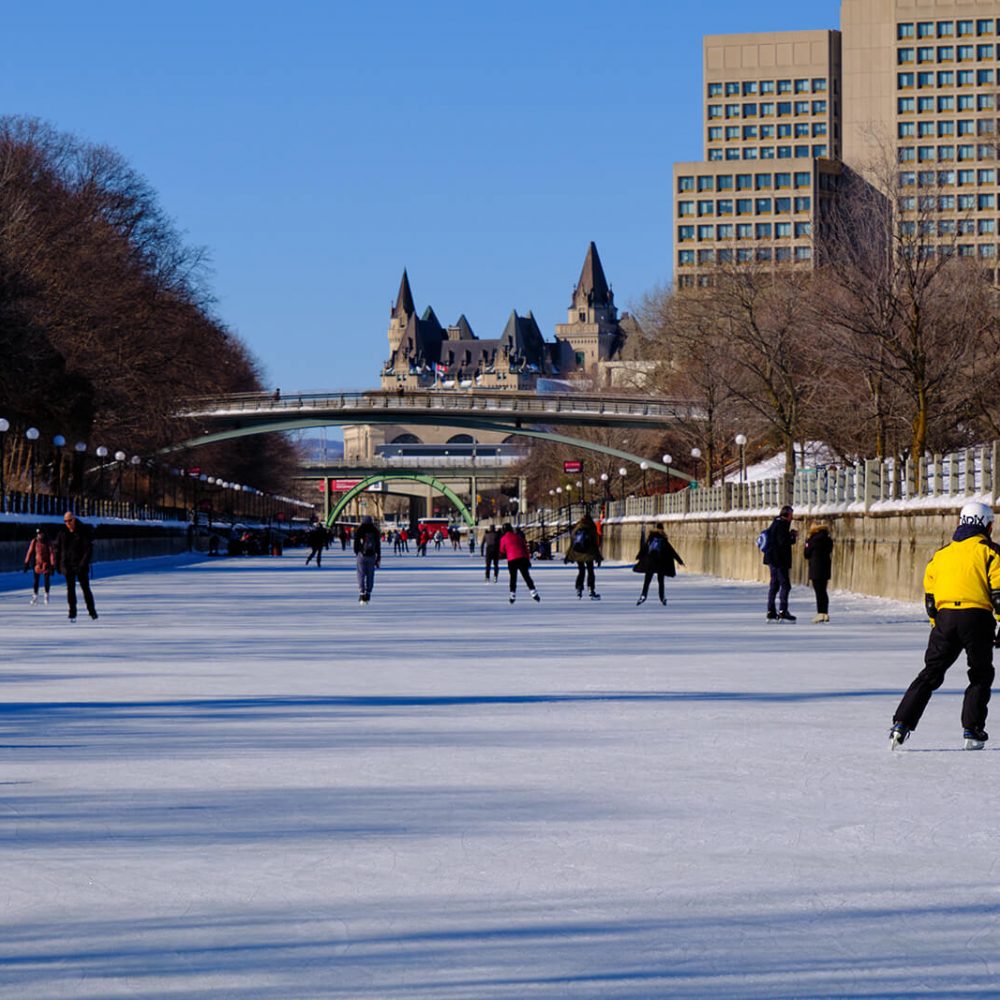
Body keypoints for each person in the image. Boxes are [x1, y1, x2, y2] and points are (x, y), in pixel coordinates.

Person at [890, 502, 1000, 751]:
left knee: (931, 673)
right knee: (980, 673)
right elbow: (998, 594)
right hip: (977, 617)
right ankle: (972, 729)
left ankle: (901, 723)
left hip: (945, 619)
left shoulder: (941, 554)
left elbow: (930, 598)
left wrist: (936, 624)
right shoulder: (991, 552)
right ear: (988, 526)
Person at [54, 511, 98, 621]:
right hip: (68, 565)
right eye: (65, 521)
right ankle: (72, 612)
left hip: (80, 565)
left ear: (74, 519)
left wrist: (82, 564)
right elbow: (57, 549)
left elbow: (88, 550)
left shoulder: (82, 531)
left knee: (85, 588)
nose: (67, 523)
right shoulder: (62, 533)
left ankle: (92, 611)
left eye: (69, 520)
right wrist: (57, 565)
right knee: (70, 589)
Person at [762, 504, 797, 622]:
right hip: (779, 561)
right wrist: (792, 536)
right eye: (791, 515)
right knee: (785, 585)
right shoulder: (782, 525)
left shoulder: (775, 523)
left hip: (772, 559)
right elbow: (783, 542)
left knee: (774, 585)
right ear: (787, 515)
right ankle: (783, 611)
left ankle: (771, 611)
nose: (792, 518)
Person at [633, 524, 684, 606]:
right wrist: (680, 561)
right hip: (660, 563)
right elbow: (672, 551)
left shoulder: (651, 537)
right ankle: (662, 597)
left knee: (647, 580)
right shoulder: (663, 539)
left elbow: (644, 548)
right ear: (662, 529)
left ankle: (643, 595)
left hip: (650, 562)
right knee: (660, 581)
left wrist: (639, 556)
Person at [498, 521, 539, 604]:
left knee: (513, 577)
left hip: (512, 559)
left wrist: (503, 554)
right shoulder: (517, 536)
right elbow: (525, 548)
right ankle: (533, 592)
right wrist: (527, 560)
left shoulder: (503, 539)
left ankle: (512, 595)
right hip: (522, 557)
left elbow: (502, 550)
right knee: (526, 576)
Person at [564, 511, 602, 600]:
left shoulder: (577, 527)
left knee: (581, 571)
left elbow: (573, 543)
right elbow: (595, 544)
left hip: (578, 553)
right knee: (590, 571)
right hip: (589, 553)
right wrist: (598, 556)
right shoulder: (591, 527)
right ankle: (591, 589)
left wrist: (568, 555)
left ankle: (579, 588)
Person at [803, 521, 834, 623]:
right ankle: (825, 613)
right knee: (823, 591)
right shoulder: (828, 539)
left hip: (815, 568)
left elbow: (806, 554)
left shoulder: (812, 540)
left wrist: (807, 543)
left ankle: (820, 613)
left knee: (818, 592)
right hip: (825, 567)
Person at [353, 515, 381, 604]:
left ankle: (362, 593)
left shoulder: (360, 530)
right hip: (372, 556)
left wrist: (357, 552)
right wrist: (378, 556)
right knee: (370, 575)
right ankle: (368, 593)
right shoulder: (375, 531)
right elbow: (378, 545)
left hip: (361, 555)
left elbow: (356, 543)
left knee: (361, 574)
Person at [24, 528, 54, 606]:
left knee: (46, 580)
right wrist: (26, 563)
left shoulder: (48, 542)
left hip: (46, 564)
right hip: (37, 564)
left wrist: (52, 564)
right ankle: (35, 597)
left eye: (41, 534)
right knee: (36, 581)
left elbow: (51, 553)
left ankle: (46, 596)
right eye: (38, 534)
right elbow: (30, 552)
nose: (39, 535)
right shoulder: (34, 541)